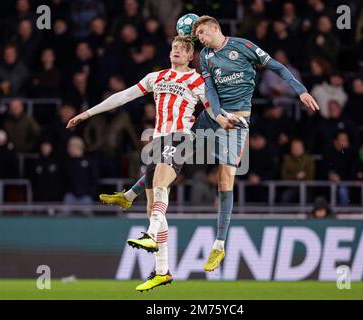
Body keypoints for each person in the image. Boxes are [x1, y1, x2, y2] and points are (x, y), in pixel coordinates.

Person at [100, 15, 319, 274]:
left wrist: (301, 89)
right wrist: (217, 114)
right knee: (173, 149)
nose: (200, 39)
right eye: (197, 36)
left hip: (237, 122)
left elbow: (279, 68)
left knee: (225, 180)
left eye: (202, 33)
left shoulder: (244, 47)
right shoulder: (205, 57)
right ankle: (129, 196)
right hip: (212, 116)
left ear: (215, 28)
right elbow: (211, 91)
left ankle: (219, 244)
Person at [66, 36, 240, 292]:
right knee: (153, 208)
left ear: (191, 57)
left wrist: (224, 119)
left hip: (180, 137)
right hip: (157, 141)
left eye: (182, 49)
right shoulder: (155, 78)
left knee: (160, 183)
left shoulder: (196, 80)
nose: (177, 51)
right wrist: (88, 113)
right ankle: (162, 272)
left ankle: (149, 234)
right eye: (174, 48)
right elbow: (123, 96)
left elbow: (212, 108)